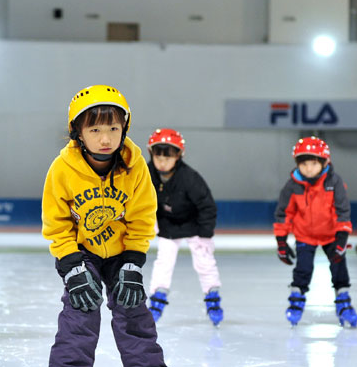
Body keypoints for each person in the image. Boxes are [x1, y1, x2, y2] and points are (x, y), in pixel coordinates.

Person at [42, 85, 166, 366]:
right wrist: (72, 267)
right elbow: (57, 224)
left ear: (124, 128)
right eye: (95, 130)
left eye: (112, 128)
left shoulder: (135, 167)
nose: (105, 138)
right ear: (78, 133)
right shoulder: (61, 170)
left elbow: (143, 217)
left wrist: (133, 262)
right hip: (83, 251)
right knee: (80, 312)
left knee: (133, 311)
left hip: (122, 251)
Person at [274, 136, 357, 327]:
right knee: (303, 269)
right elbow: (283, 213)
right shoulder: (292, 185)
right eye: (304, 164)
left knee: (339, 267)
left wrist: (342, 237)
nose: (308, 169)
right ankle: (297, 297)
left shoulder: (334, 183)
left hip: (331, 235)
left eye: (313, 163)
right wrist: (281, 241)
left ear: (324, 162)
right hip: (305, 235)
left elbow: (342, 211)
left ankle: (343, 300)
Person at [144, 128, 223, 326]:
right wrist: (148, 223)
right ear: (151, 154)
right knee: (164, 261)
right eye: (158, 156)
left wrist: (205, 235)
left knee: (204, 260)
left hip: (194, 224)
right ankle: (157, 297)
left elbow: (207, 205)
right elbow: (139, 201)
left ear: (178, 156)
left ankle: (212, 296)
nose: (162, 162)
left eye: (168, 157)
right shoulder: (145, 175)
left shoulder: (190, 178)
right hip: (168, 225)